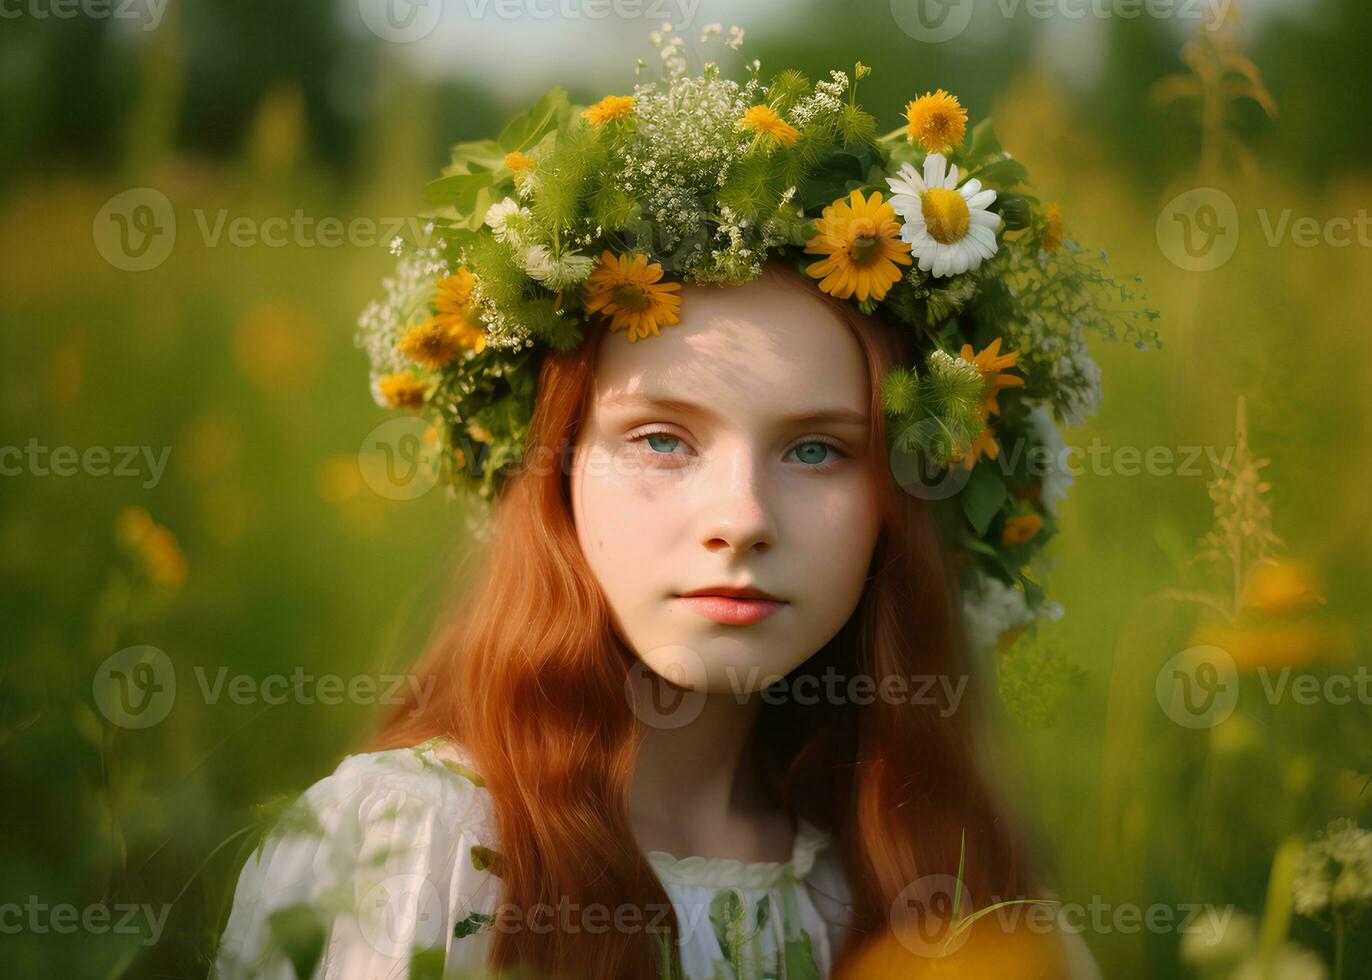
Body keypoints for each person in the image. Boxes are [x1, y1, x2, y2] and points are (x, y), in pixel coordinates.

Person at [216, 32, 1134, 979]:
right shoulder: (419, 851)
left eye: (818, 449)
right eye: (661, 440)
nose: (741, 519)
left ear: (900, 501)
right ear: (555, 474)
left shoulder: (937, 886)